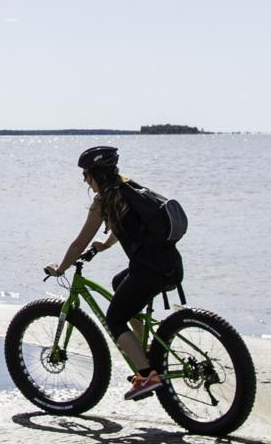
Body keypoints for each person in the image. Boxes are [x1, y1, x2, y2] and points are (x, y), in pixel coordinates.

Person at [45, 143, 183, 400]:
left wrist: (60, 268)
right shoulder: (130, 188)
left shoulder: (103, 201)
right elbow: (134, 225)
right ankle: (149, 351)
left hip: (148, 270)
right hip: (170, 265)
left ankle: (146, 375)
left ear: (95, 175)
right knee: (120, 284)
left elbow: (79, 243)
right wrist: (106, 245)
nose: (85, 181)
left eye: (86, 175)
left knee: (115, 318)